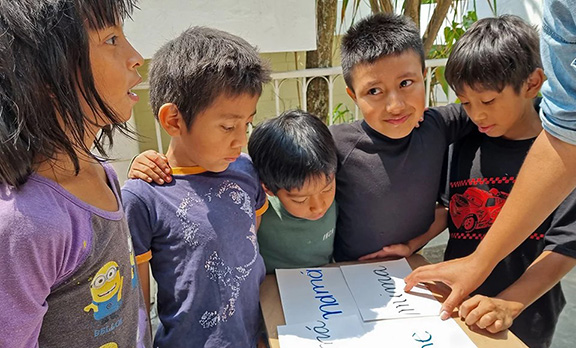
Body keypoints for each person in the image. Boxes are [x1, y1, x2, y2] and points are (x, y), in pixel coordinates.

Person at [404, 0, 576, 320]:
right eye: (466, 103)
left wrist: (509, 303)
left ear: (532, 83)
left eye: (488, 100)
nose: (477, 114)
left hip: (526, 312)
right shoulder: (463, 145)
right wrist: (409, 245)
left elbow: (565, 248)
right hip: (455, 303)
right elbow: (445, 210)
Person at [0, 1, 152, 347]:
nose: (136, 56)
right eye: (111, 39)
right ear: (47, 74)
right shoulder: (27, 223)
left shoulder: (102, 172)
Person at [121, 27, 270, 348]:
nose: (240, 139)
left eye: (247, 124)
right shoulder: (144, 196)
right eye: (228, 126)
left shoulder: (245, 170)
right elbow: (137, 304)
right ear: (174, 120)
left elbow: (252, 248)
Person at [330, 13, 471, 262]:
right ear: (353, 95)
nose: (395, 106)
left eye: (406, 83)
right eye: (374, 91)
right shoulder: (336, 144)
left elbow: (500, 105)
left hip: (408, 269)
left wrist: (411, 246)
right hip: (344, 275)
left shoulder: (437, 125)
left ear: (424, 76)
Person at [248, 109, 338, 273]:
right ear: (268, 188)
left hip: (326, 287)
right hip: (274, 289)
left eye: (327, 189)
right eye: (300, 200)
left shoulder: (342, 191)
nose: (318, 206)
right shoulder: (259, 213)